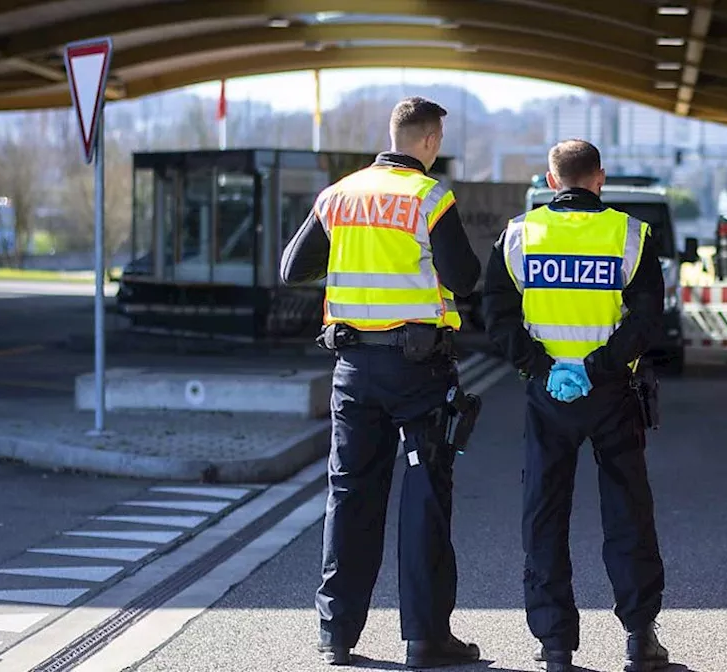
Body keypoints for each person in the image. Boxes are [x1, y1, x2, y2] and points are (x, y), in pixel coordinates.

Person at [279, 96, 483, 669]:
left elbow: (292, 268)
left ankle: (336, 634)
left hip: (353, 371)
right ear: (429, 141)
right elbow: (465, 280)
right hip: (419, 372)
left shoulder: (337, 195)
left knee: (350, 496)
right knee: (423, 500)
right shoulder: (430, 195)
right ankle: (425, 639)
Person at [481, 139, 670, 672]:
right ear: (599, 178)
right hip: (612, 394)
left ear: (549, 179)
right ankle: (639, 638)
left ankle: (556, 643)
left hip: (548, 397)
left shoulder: (519, 235)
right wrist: (598, 367)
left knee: (544, 513)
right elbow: (646, 318)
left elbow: (495, 313)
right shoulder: (629, 235)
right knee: (627, 513)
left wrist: (543, 368)